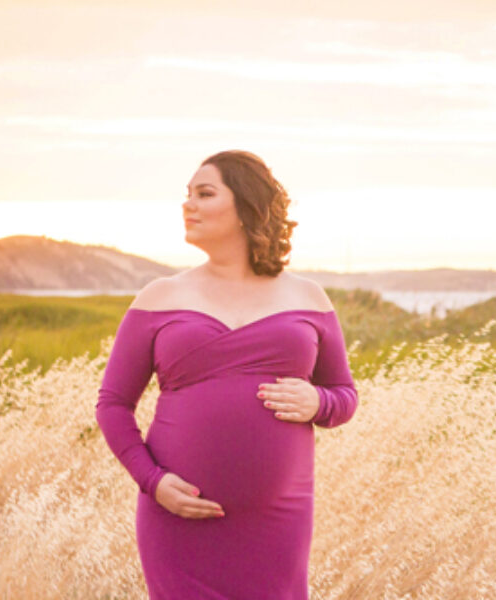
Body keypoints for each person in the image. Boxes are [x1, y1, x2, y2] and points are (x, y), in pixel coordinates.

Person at [94, 149, 360, 599]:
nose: (188, 204)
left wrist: (320, 402)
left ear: (245, 208)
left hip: (278, 519)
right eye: (187, 195)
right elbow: (112, 404)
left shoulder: (308, 297)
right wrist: (153, 482)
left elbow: (344, 395)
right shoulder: (160, 296)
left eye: (204, 193)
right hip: (180, 515)